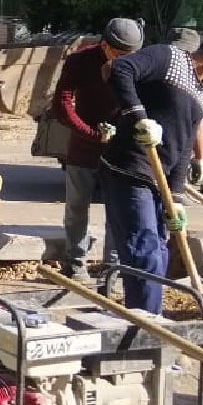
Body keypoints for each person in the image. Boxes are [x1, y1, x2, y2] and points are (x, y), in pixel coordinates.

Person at [99, 29, 203, 314]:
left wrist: (176, 198)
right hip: (130, 167)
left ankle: (148, 318)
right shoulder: (169, 59)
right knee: (143, 251)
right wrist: (138, 116)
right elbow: (121, 68)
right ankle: (147, 325)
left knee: (159, 251)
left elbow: (183, 148)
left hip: (160, 179)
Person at [51, 17, 144, 278]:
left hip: (120, 152)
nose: (126, 59)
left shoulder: (137, 63)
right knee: (77, 208)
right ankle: (75, 263)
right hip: (83, 149)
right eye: (120, 53)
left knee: (117, 211)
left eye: (131, 54)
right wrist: (89, 133)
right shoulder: (80, 61)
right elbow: (62, 103)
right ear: (105, 45)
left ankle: (112, 269)